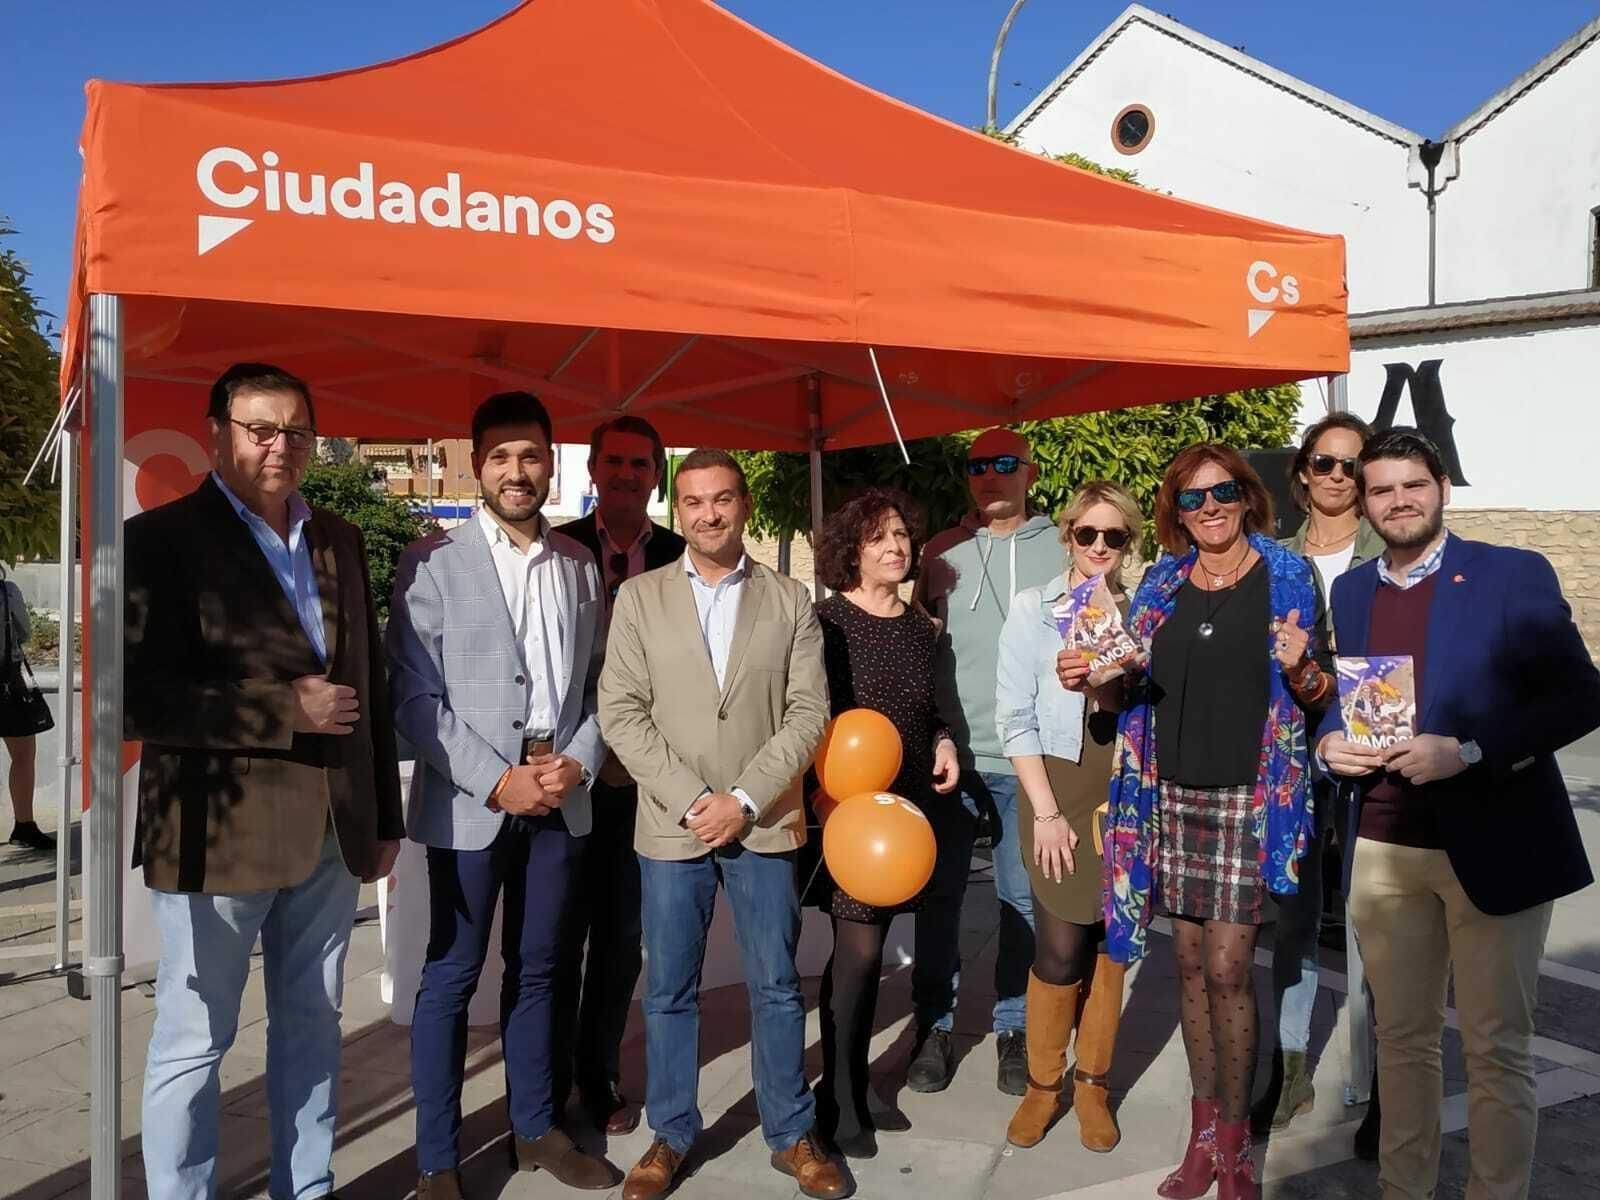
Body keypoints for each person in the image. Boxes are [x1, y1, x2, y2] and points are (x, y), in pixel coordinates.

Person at [124, 362, 404, 1200]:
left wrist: (381, 815)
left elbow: (369, 683)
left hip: (331, 826)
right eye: (261, 429)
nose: (281, 446)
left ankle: (305, 1187)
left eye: (296, 431)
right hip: (220, 837)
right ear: (217, 434)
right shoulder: (162, 541)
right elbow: (142, 701)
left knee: (314, 1026)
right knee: (193, 1042)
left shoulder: (339, 539)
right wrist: (283, 707)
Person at [1317, 429, 1600, 1200]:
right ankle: (1403, 1191)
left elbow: (1580, 696)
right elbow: (1350, 702)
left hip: (1493, 841)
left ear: (1442, 486)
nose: (1398, 500)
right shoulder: (1352, 589)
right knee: (1402, 1043)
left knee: (1495, 1048)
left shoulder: (1512, 574)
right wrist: (1330, 742)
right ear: (1364, 503)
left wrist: (1469, 750)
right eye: (1382, 489)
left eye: (1413, 484)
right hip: (1382, 844)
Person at [598, 449, 849, 1200]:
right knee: (671, 986)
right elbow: (620, 710)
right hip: (672, 827)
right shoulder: (639, 598)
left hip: (765, 821)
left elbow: (811, 712)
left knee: (776, 985)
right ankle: (669, 1134)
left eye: (722, 500)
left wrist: (742, 798)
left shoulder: (788, 597)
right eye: (694, 502)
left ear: (743, 506)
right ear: (679, 511)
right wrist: (690, 797)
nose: (708, 514)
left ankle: (790, 1132)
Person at [388, 391, 618, 1199]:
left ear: (551, 464)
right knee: (450, 976)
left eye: (531, 456)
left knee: (543, 969)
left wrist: (579, 761)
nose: (517, 472)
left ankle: (534, 1130)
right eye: (500, 457)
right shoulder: (431, 562)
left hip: (562, 796)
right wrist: (497, 778)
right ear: (476, 464)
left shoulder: (579, 565)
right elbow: (414, 699)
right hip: (469, 801)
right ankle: (436, 1160)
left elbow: (600, 688)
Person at [1104, 445, 1332, 1200]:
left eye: (1223, 492)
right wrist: (1098, 681)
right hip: (1166, 797)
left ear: (1248, 496)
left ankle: (1237, 1147)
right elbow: (1127, 683)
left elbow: (1320, 692)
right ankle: (1203, 1138)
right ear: (1176, 510)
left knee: (1231, 970)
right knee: (1190, 968)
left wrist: (1304, 666)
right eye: (1193, 499)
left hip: (1248, 796)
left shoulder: (1289, 576)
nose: (1210, 508)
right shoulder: (1160, 583)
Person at [803, 489, 960, 1159]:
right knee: (858, 957)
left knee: (866, 957)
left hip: (906, 817)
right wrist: (818, 792)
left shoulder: (923, 627)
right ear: (851, 552)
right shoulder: (825, 622)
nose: (895, 547)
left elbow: (933, 712)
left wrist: (947, 741)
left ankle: (856, 1085)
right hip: (848, 812)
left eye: (900, 535)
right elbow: (806, 713)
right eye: (878, 538)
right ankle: (833, 1095)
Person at [912, 428, 1061, 1095]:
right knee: (938, 897)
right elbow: (916, 640)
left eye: (1005, 464)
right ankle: (935, 1028)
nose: (991, 476)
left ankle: (1014, 1027)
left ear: (1029, 472)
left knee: (1020, 899)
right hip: (949, 751)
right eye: (978, 466)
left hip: (1026, 758)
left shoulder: (1065, 547)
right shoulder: (941, 554)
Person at [995, 481, 1141, 1153]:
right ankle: (1042, 1085)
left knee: (1112, 945)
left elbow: (1141, 720)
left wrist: (1122, 670)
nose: (1100, 548)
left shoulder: (1142, 617)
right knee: (1058, 950)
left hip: (1121, 796)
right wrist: (1046, 813)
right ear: (1068, 536)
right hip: (1054, 787)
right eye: (1089, 534)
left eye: (1115, 537)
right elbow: (1014, 717)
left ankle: (1092, 1085)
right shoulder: (1035, 610)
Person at [1254, 413, 1388, 1142]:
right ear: (1303, 473)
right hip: (1289, 750)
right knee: (1297, 915)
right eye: (1326, 463)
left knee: (1373, 915)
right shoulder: (1271, 557)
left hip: (1367, 741)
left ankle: (1380, 1084)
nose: (1338, 476)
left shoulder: (1388, 547)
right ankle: (1293, 1066)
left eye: (1351, 465)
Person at [551, 414, 685, 1134]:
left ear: (656, 475)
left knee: (619, 940)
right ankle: (543, 1084)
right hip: (565, 777)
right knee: (553, 939)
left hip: (646, 785)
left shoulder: (680, 555)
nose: (627, 474)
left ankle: (597, 1075)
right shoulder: (558, 548)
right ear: (593, 471)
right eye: (615, 462)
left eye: (641, 463)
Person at [1, 568, 52, 851]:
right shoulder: (7, 591)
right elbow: (24, 632)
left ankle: (25, 827)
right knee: (23, 755)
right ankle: (24, 825)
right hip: (8, 681)